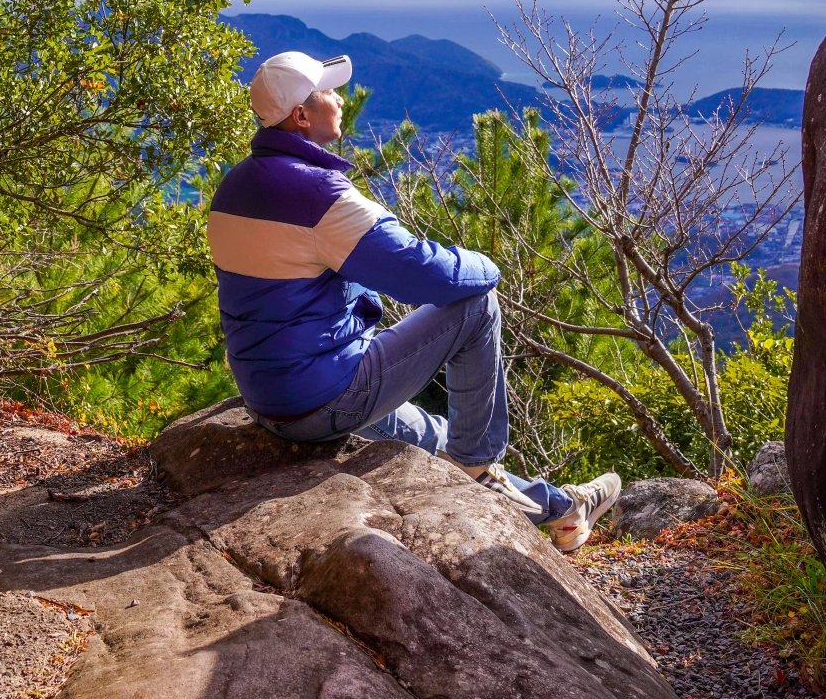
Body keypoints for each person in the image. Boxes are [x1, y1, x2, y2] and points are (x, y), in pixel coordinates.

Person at [207, 48, 621, 552]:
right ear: (300, 116)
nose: (339, 99)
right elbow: (429, 275)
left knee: (436, 435)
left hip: (271, 398)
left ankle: (563, 512)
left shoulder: (235, 187)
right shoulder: (318, 197)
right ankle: (475, 467)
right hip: (324, 397)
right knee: (477, 304)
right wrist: (492, 266)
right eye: (327, 92)